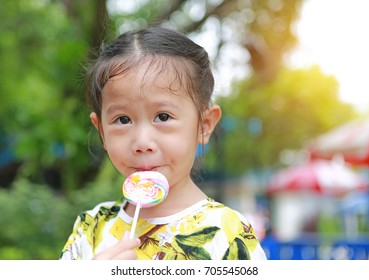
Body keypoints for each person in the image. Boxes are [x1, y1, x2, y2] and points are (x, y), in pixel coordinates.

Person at [60, 27, 266, 260]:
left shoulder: (229, 235)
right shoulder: (89, 228)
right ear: (102, 132)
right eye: (123, 120)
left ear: (204, 125)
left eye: (163, 117)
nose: (142, 142)